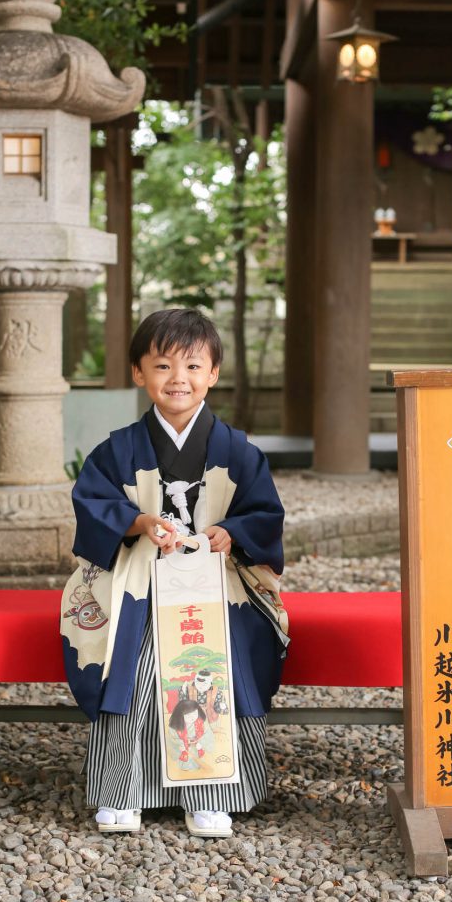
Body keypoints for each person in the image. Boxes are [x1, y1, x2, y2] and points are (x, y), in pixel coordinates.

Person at [60, 308, 288, 839]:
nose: (178, 379)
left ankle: (210, 793)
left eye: (192, 365)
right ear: (139, 373)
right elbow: (91, 505)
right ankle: (123, 792)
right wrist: (138, 522)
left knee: (212, 669)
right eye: (162, 366)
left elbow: (264, 515)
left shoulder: (238, 451)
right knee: (133, 669)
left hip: (218, 583)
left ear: (213, 373)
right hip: (138, 580)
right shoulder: (117, 449)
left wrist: (231, 532)